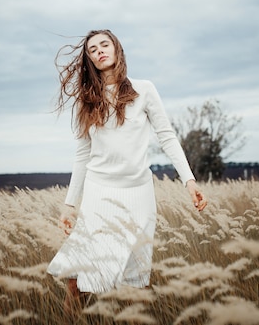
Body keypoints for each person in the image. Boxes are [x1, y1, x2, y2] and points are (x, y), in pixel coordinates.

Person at [46, 29, 207, 312]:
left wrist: (189, 182)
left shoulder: (144, 89)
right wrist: (70, 204)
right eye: (92, 50)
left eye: (104, 45)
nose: (99, 51)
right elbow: (82, 154)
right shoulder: (85, 99)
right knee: (78, 279)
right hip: (99, 195)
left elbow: (167, 136)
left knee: (136, 280)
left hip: (139, 194)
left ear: (117, 49)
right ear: (90, 60)